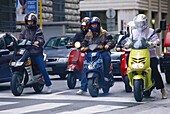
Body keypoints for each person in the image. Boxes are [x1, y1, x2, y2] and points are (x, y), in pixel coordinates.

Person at [125, 14, 167, 99]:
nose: (140, 25)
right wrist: (127, 43)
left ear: (145, 23)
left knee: (154, 70)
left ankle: (162, 90)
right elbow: (129, 40)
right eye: (138, 23)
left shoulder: (150, 31)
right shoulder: (134, 32)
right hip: (136, 54)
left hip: (150, 55)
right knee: (127, 61)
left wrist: (155, 42)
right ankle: (129, 82)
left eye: (141, 23)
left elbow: (157, 39)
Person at [11, 12, 52, 93]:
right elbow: (20, 39)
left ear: (34, 22)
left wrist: (38, 42)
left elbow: (41, 39)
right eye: (28, 21)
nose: (30, 23)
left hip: (36, 52)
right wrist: (15, 42)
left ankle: (49, 85)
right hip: (26, 52)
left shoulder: (38, 30)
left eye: (31, 21)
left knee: (42, 68)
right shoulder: (24, 31)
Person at [76, 17, 116, 95]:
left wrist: (108, 45)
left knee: (107, 56)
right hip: (91, 53)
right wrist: (82, 47)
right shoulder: (88, 34)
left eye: (95, 24)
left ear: (98, 24)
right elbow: (84, 42)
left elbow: (112, 40)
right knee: (85, 67)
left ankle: (106, 76)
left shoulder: (104, 33)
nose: (94, 26)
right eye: (92, 24)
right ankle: (83, 87)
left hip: (102, 52)